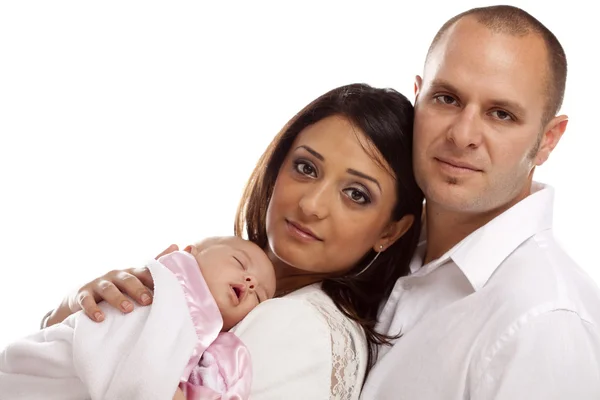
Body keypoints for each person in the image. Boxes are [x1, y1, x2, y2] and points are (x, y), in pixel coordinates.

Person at [39, 83, 424, 399]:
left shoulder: (298, 324)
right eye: (306, 168)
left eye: (356, 194)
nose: (312, 204)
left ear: (391, 231)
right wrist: (80, 306)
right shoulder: (220, 277)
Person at [359, 5, 600, 399]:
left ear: (549, 139)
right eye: (447, 99)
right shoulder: (377, 244)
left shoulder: (545, 324)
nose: (463, 134)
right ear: (417, 97)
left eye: (501, 114)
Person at [0, 237, 276, 400]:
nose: (251, 282)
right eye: (239, 263)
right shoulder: (160, 291)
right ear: (186, 253)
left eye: (260, 296)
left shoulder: (212, 348)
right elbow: (134, 363)